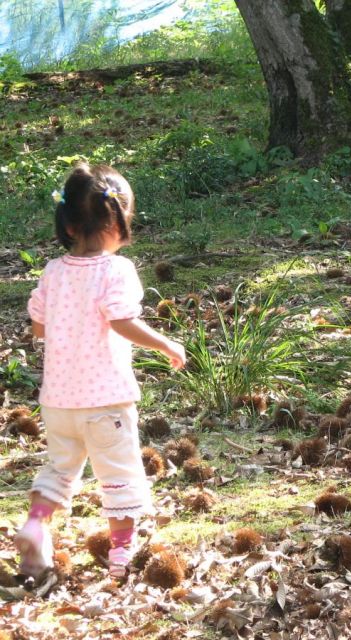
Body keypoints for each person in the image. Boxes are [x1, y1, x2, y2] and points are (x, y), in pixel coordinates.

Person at [15, 163, 186, 580]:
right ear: (119, 222)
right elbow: (121, 320)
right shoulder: (116, 270)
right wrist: (164, 342)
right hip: (106, 398)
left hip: (58, 401)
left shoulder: (53, 272)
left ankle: (37, 523)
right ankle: (121, 555)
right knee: (120, 474)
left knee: (59, 467)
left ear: (69, 225)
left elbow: (38, 327)